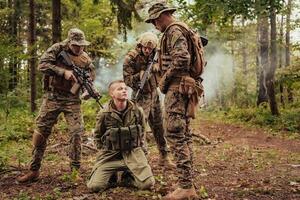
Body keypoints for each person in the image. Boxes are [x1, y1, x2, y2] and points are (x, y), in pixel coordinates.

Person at [17, 28, 96, 183]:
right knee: (41, 132)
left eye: (82, 45)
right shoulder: (57, 49)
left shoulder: (85, 58)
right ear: (69, 42)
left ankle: (75, 171)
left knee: (77, 133)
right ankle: (34, 170)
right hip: (52, 97)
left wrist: (88, 89)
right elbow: (42, 65)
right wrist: (62, 72)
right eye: (76, 45)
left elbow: (91, 75)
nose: (79, 48)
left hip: (72, 99)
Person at [145, 3, 200, 199]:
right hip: (183, 88)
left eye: (154, 20)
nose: (154, 25)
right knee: (184, 135)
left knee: (175, 134)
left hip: (177, 89)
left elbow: (182, 59)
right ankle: (188, 185)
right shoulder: (183, 29)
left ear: (162, 16)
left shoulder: (173, 30)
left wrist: (164, 81)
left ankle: (185, 186)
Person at [87, 80, 155, 192]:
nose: (124, 90)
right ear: (112, 94)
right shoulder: (104, 114)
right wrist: (103, 151)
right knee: (95, 186)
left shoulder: (137, 111)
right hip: (111, 156)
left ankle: (128, 176)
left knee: (148, 184)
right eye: (119, 89)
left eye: (125, 88)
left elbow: (142, 133)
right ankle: (111, 175)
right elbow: (98, 136)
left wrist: (142, 153)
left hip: (133, 154)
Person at [123, 32, 175, 169]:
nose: (147, 51)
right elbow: (127, 80)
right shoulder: (131, 58)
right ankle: (141, 160)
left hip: (154, 94)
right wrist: (138, 76)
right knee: (139, 128)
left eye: (150, 49)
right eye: (145, 48)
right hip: (140, 95)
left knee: (159, 126)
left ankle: (164, 157)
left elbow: (169, 67)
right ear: (140, 45)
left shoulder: (157, 54)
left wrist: (158, 68)